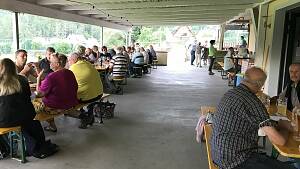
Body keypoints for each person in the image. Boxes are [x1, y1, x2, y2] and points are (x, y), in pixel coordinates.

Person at [211, 67, 294, 169]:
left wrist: (276, 125)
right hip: (236, 160)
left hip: (218, 154)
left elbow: (251, 119)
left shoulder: (231, 93)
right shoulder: (253, 102)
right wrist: (285, 128)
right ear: (260, 85)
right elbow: (280, 141)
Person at [0, 58, 58, 158]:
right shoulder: (22, 79)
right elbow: (28, 97)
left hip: (5, 121)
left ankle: (4, 149)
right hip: (27, 116)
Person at [36, 53, 78, 132]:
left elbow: (39, 94)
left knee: (35, 103)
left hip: (57, 107)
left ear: (57, 64)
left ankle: (52, 126)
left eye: (51, 62)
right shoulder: (70, 72)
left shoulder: (51, 76)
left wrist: (38, 79)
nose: (49, 64)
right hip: (71, 103)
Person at [68, 53, 103, 128]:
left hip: (87, 97)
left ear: (74, 60)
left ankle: (85, 117)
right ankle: (90, 115)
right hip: (99, 93)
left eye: (69, 60)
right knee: (87, 89)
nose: (68, 62)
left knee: (66, 108)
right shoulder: (88, 63)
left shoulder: (73, 68)